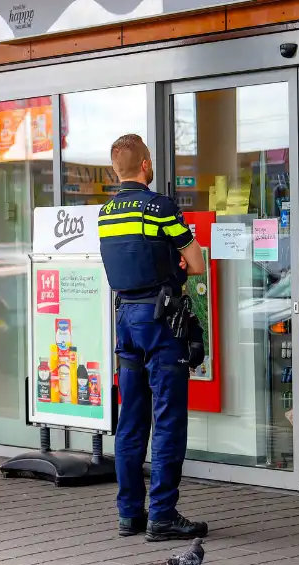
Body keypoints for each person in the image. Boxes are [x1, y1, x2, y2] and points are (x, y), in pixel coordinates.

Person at [98, 134, 208, 542]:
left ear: (116, 169)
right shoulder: (158, 207)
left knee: (131, 420)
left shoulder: (106, 213)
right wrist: (176, 265)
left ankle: (130, 514)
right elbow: (195, 262)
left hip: (125, 317)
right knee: (167, 419)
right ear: (146, 164)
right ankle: (162, 515)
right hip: (161, 321)